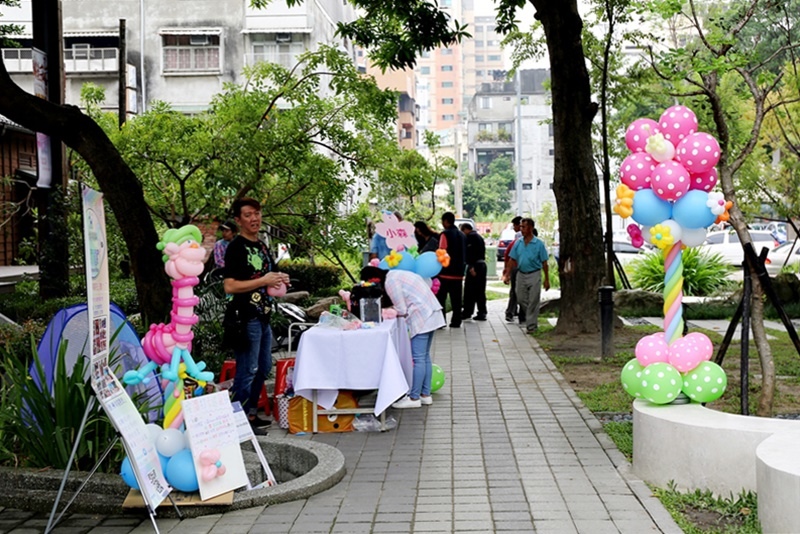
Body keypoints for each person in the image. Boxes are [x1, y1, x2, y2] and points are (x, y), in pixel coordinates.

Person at [223, 198, 291, 434]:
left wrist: (280, 279)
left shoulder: (261, 245)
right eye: (248, 215)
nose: (254, 218)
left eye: (257, 213)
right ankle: (238, 422)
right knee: (247, 369)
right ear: (238, 220)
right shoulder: (235, 248)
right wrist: (263, 280)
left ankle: (251, 413)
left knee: (263, 367)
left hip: (263, 316)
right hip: (245, 317)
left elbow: (268, 275)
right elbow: (230, 286)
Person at [360, 265, 445, 408]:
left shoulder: (391, 281)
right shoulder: (397, 274)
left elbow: (401, 309)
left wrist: (384, 311)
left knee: (418, 359)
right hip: (432, 312)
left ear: (373, 278)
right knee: (424, 357)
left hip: (422, 316)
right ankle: (425, 395)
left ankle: (414, 397)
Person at [503, 217, 550, 334]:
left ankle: (531, 326)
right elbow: (512, 259)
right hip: (521, 274)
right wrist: (507, 274)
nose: (521, 229)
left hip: (534, 274)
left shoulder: (538, 244)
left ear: (531, 228)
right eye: (521, 227)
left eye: (524, 227)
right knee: (520, 298)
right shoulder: (518, 243)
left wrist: (547, 279)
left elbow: (544, 263)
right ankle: (530, 315)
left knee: (533, 300)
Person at [437, 212, 467, 328]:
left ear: (445, 221)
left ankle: (441, 321)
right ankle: (456, 321)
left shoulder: (445, 234)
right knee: (457, 299)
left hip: (445, 273)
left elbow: (441, 252)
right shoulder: (463, 235)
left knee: (441, 298)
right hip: (459, 273)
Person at [460, 223, 487, 321]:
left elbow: (471, 254)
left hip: (475, 266)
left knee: (469, 290)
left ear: (465, 229)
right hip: (482, 265)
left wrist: (471, 267)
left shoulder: (470, 238)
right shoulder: (479, 237)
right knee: (480, 290)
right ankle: (482, 312)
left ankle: (467, 312)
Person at [503, 216, 523, 322]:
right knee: (520, 291)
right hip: (520, 268)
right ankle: (519, 313)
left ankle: (511, 312)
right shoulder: (518, 240)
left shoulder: (516, 240)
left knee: (515, 291)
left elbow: (508, 256)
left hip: (517, 267)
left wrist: (507, 271)